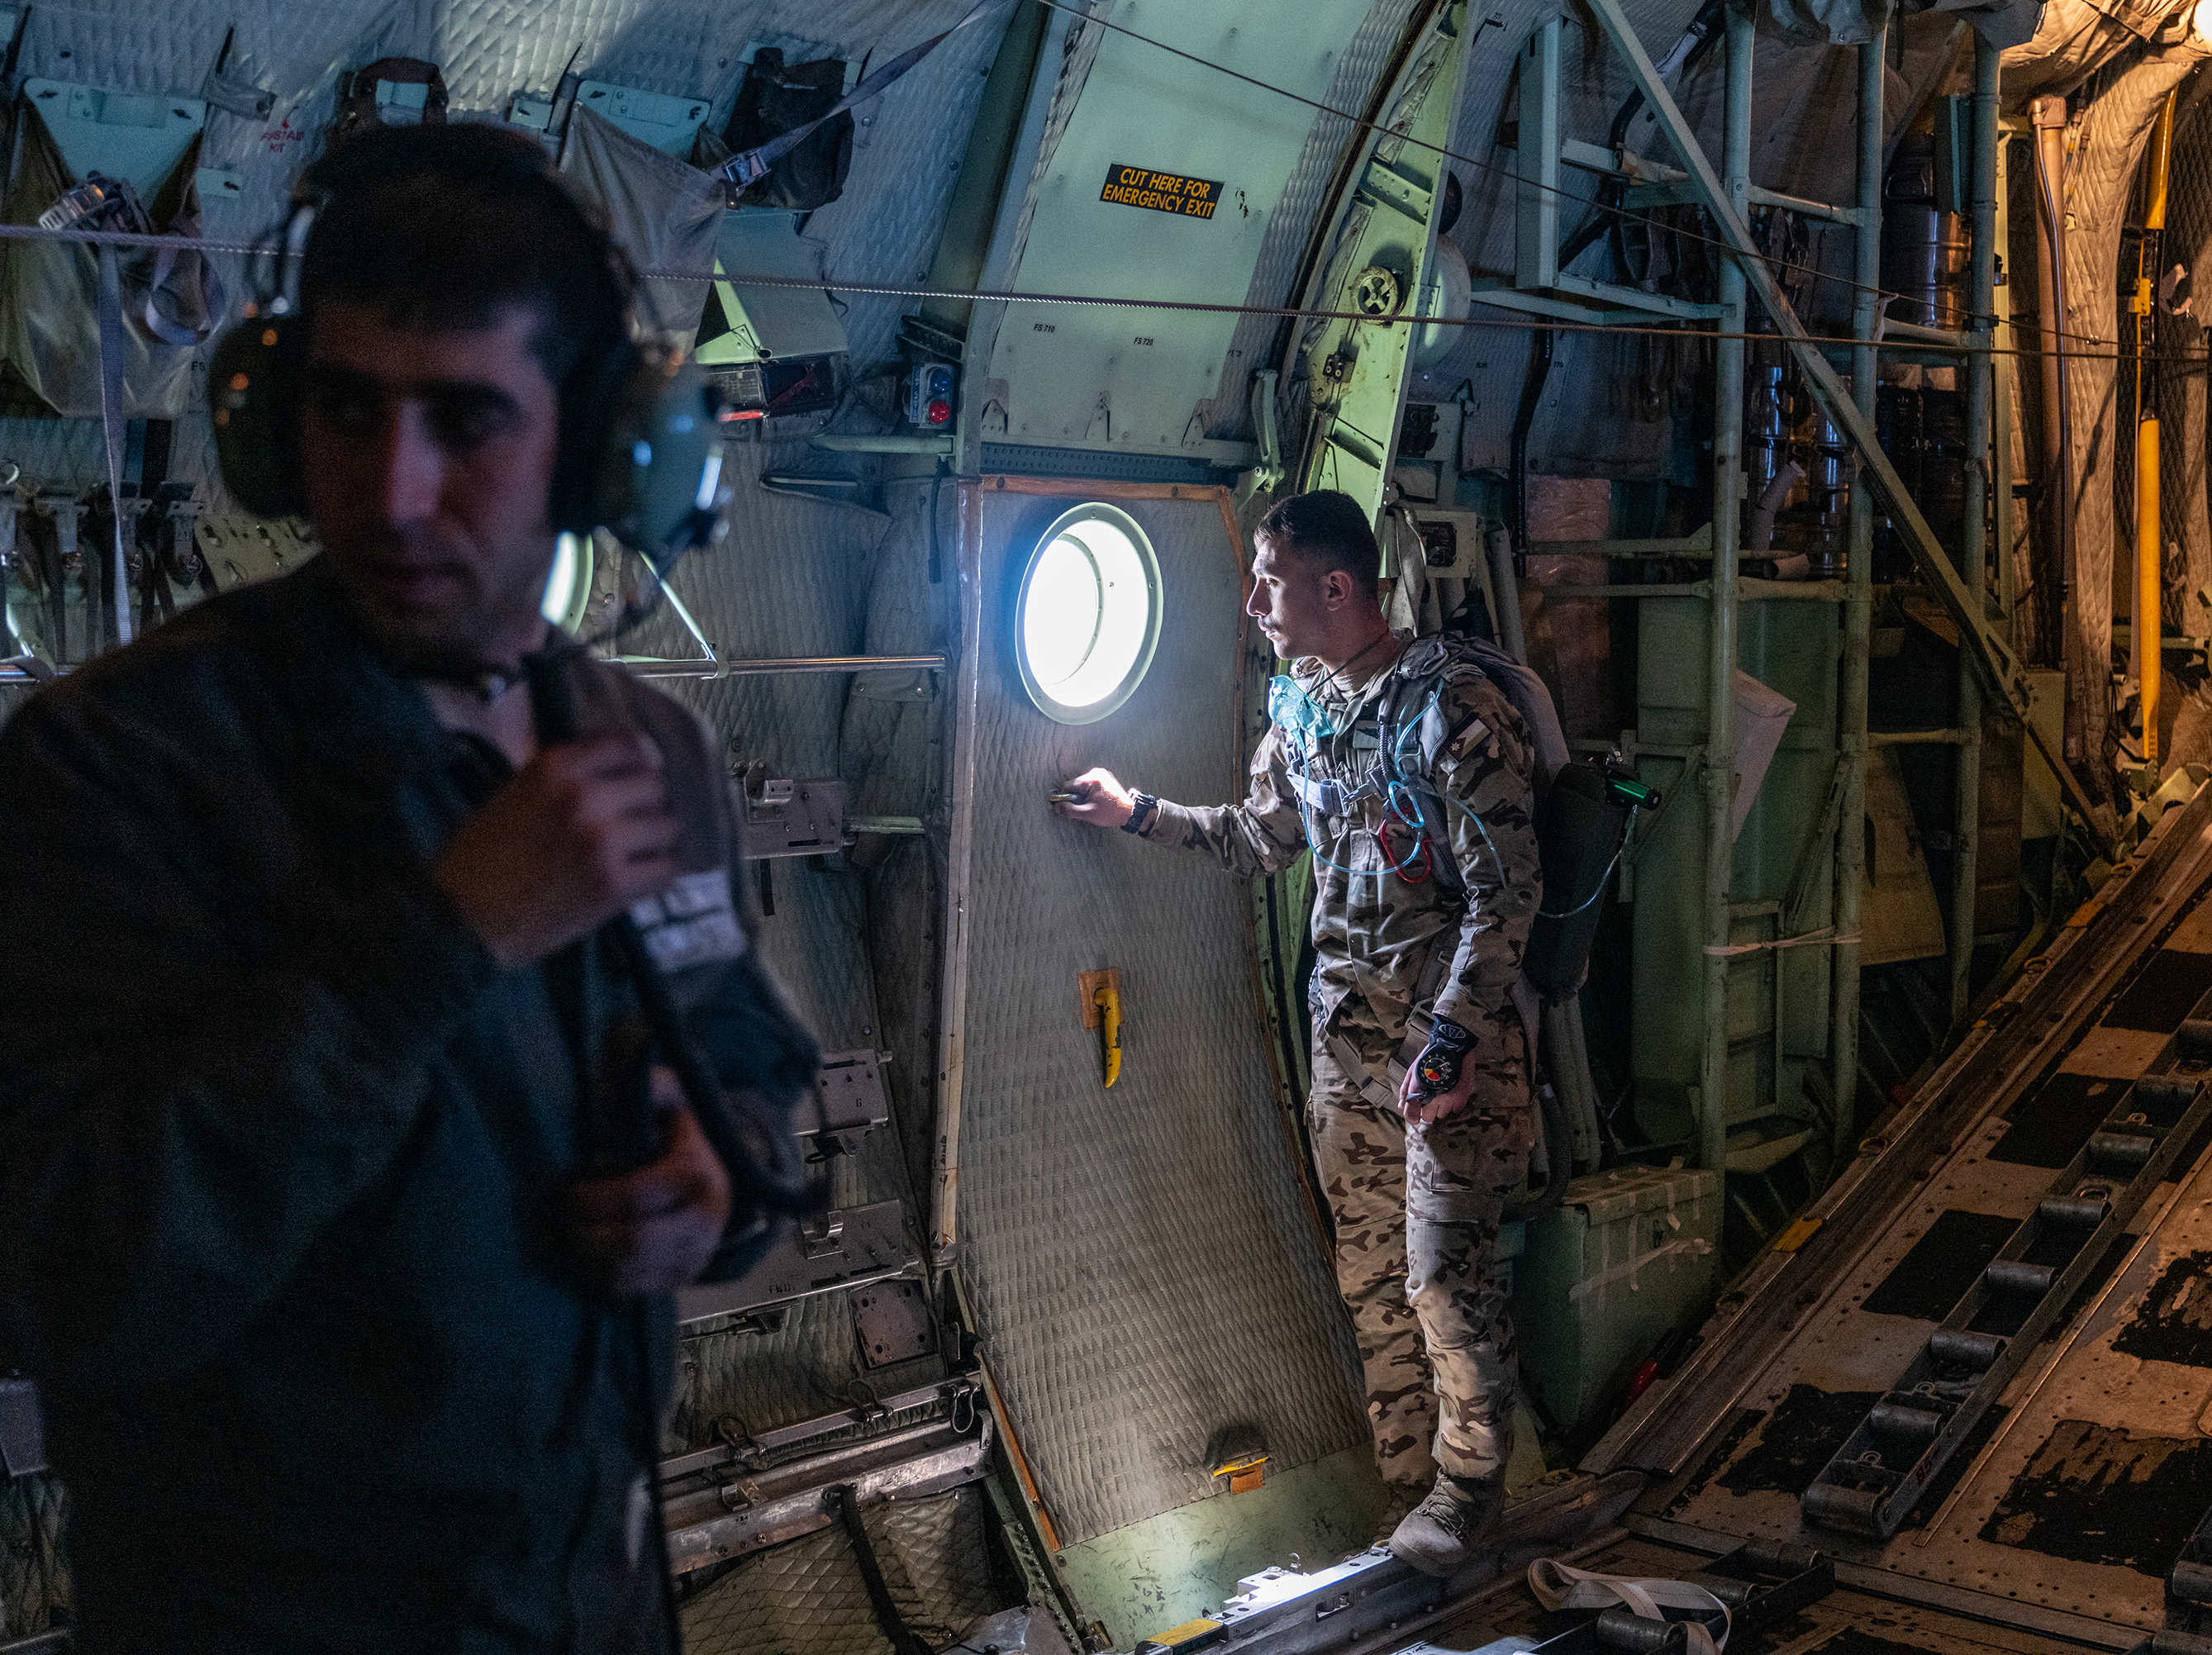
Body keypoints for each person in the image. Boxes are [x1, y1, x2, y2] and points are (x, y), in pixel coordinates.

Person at [0, 125, 818, 1653]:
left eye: (466, 422)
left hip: (591, 1602)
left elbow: (753, 1064)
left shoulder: (650, 751)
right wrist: (448, 936)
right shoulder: (119, 770)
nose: (390, 492)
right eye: (345, 410)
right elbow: (73, 1271)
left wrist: (724, 1162)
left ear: (591, 452)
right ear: (271, 418)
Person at [1055, 489, 1541, 1577]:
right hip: (1348, 1051)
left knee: (1442, 1283)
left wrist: (1454, 1045)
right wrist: (1137, 811)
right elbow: (1260, 838)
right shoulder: (1309, 708)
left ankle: (1470, 1493)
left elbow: (1504, 899)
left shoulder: (1447, 706)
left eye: (1267, 580)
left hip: (1440, 1058)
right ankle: (1412, 1489)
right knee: (1371, 1276)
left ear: (1335, 587)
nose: (1250, 602)